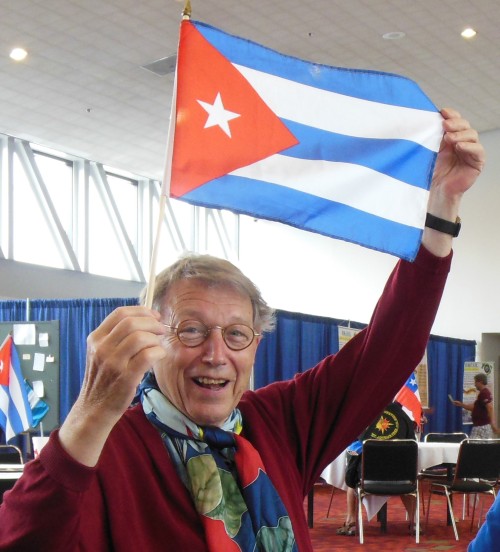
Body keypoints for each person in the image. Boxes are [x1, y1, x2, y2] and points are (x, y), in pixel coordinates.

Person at [0, 108, 484, 551]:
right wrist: (89, 414)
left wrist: (442, 207)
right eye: (192, 331)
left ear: (255, 346)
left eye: (236, 334)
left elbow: (386, 351)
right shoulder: (108, 449)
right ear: (153, 340)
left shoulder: (277, 423)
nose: (216, 354)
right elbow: (23, 540)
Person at [337, 401, 416, 537]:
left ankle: (351, 522)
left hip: (368, 477)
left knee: (352, 481)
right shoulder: (403, 415)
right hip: (399, 476)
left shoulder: (363, 413)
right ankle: (414, 523)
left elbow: (353, 442)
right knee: (409, 480)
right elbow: (412, 442)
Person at [452, 373, 500, 438]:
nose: (475, 384)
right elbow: (474, 407)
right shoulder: (482, 394)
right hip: (479, 426)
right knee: (475, 443)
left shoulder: (484, 393)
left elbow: (490, 407)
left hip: (482, 427)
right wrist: (461, 404)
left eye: (476, 382)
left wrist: (493, 424)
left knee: (474, 443)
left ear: (480, 382)